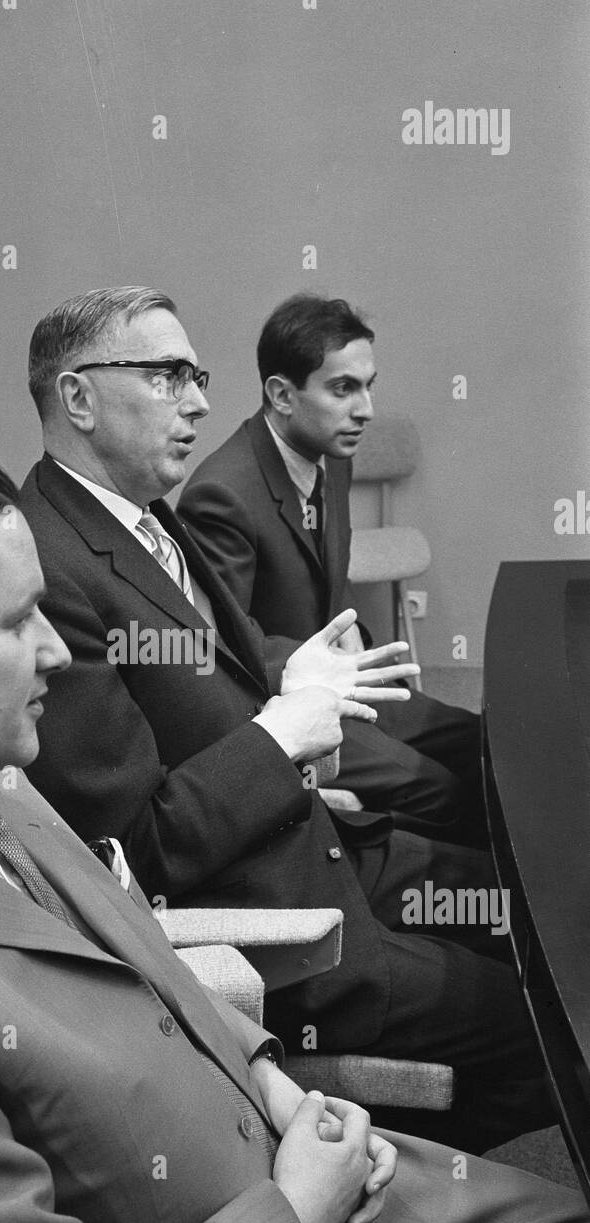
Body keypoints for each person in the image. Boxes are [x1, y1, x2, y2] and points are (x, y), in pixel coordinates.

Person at [0, 440, 586, 1223]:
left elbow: (135, 947)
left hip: (306, 1162)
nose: (56, 651)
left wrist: (265, 1078)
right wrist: (297, 1214)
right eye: (16, 620)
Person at [18, 286, 549, 1153]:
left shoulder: (141, 514)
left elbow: (220, 665)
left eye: (196, 375)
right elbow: (137, 854)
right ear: (76, 397)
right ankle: (392, 1194)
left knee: (522, 908)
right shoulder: (49, 567)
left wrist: (290, 675)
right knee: (550, 1018)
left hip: (327, 847)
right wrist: (281, 734)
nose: (195, 400)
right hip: (286, 929)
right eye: (163, 376)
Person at [178, 293, 485, 847]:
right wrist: (316, 666)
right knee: (436, 790)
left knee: (481, 741)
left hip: (343, 677)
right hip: (287, 702)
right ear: (281, 395)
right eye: (343, 388)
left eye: (369, 385)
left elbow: (320, 587)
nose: (365, 408)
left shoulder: (331, 455)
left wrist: (350, 647)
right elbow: (220, 646)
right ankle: (418, 883)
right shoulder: (220, 494)